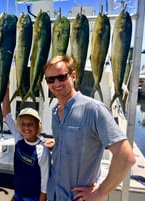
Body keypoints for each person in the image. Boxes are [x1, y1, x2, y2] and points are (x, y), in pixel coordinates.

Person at [44, 55, 136, 201]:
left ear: (73, 76)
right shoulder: (56, 111)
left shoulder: (94, 109)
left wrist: (99, 192)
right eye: (50, 79)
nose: (56, 83)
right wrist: (57, 144)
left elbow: (126, 157)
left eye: (61, 77)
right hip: (53, 195)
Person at [2, 86, 51, 201]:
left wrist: (43, 197)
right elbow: (6, 114)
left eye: (31, 124)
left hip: (33, 197)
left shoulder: (42, 150)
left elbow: (45, 180)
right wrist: (6, 88)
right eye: (23, 124)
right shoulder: (19, 138)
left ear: (37, 126)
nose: (26, 128)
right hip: (18, 192)